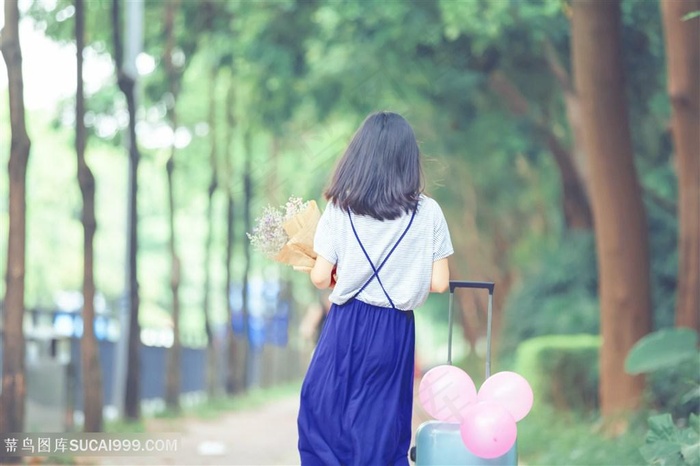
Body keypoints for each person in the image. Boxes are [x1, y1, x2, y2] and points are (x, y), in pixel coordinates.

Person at [297, 111, 454, 465]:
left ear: (359, 155)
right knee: (381, 426)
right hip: (395, 330)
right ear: (408, 159)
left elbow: (321, 277)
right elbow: (441, 282)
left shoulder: (341, 206)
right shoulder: (427, 212)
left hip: (345, 323)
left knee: (322, 414)